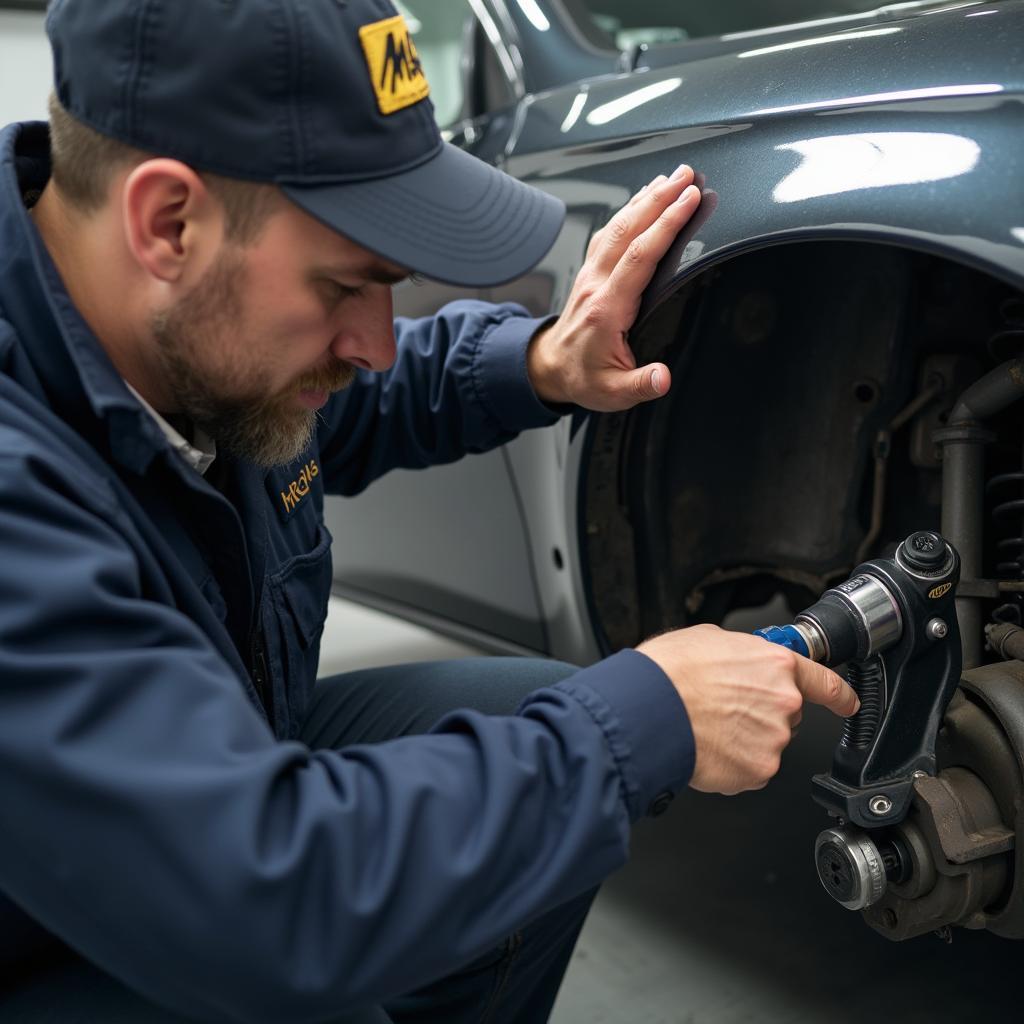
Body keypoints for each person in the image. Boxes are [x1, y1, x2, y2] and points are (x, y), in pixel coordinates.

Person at [0, 1, 858, 1021]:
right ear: (167, 223)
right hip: (58, 910)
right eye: (347, 284)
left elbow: (345, 406)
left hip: (181, 782)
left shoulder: (172, 328)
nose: (372, 340)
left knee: (525, 751)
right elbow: (273, 902)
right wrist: (643, 719)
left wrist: (542, 360)